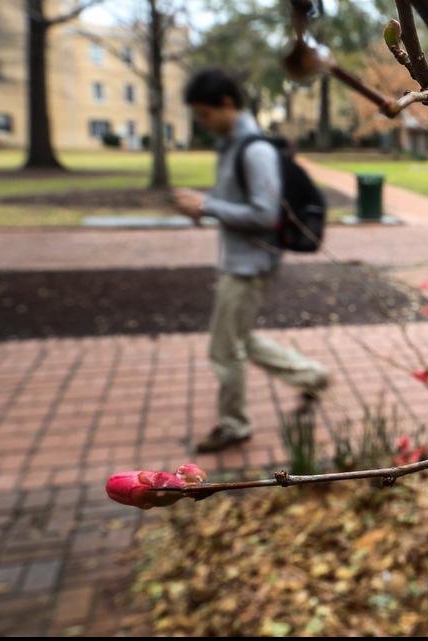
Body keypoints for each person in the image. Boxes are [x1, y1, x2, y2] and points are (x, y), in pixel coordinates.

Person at [173, 69, 328, 453]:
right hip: (242, 261)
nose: (202, 123)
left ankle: (234, 425)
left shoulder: (254, 150)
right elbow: (241, 204)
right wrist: (205, 207)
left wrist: (207, 205)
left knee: (224, 348)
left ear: (227, 104)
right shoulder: (231, 147)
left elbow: (263, 213)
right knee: (238, 338)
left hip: (249, 266)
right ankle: (311, 376)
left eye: (205, 114)